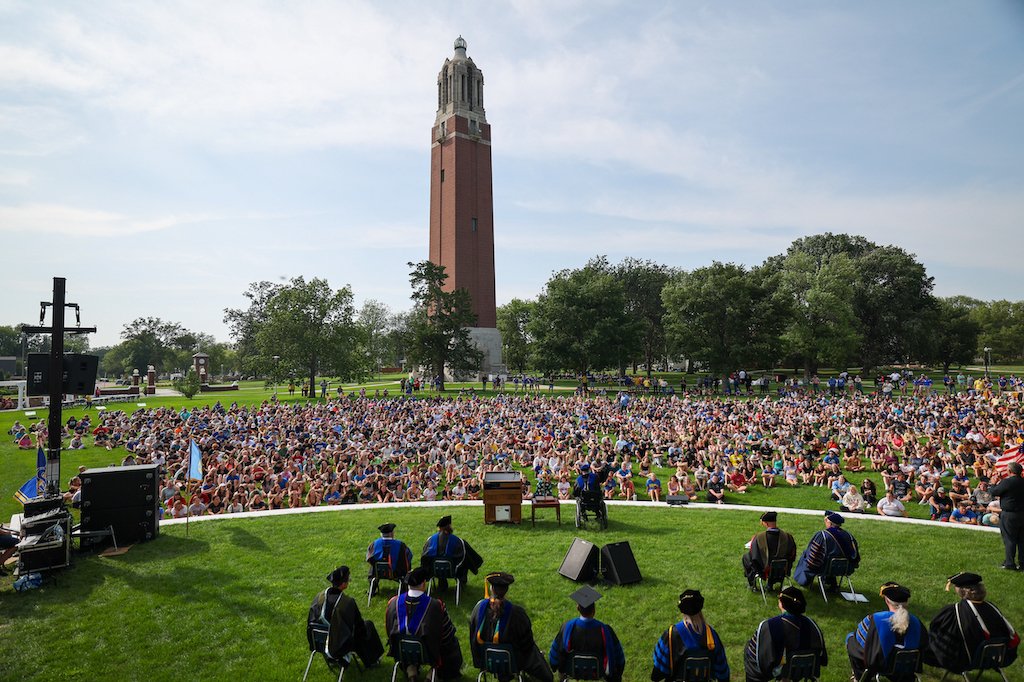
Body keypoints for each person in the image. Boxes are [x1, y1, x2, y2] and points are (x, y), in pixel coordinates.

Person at [925, 572, 1019, 674]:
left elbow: (937, 632)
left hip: (967, 660)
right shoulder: (992, 608)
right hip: (996, 658)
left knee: (929, 644)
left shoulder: (953, 612)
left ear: (963, 591)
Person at [468, 572, 552, 682]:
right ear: (506, 590)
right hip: (514, 662)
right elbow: (527, 644)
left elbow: (473, 637)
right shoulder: (517, 613)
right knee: (532, 651)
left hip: (486, 660)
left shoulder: (478, 609)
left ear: (491, 588)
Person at [385, 566, 463, 680]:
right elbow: (446, 635)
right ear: (423, 584)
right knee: (452, 642)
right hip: (429, 653)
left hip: (401, 651)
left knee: (404, 638)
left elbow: (389, 630)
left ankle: (410, 669)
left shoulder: (393, 603)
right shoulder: (436, 606)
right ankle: (433, 673)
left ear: (408, 585)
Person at [846, 582, 929, 681]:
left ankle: (859, 677)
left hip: (880, 665)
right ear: (907, 602)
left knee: (851, 639)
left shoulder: (875, 619)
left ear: (886, 600)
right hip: (907, 667)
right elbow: (924, 647)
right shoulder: (916, 622)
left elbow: (862, 642)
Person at [744, 587, 828, 682]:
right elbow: (821, 656)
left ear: (782, 604)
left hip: (779, 669)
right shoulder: (811, 624)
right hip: (805, 669)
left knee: (749, 649)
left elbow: (762, 659)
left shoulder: (770, 625)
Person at [306, 565, 383, 669]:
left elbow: (311, 620)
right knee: (367, 626)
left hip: (319, 641)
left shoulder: (318, 597)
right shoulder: (347, 603)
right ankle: (372, 660)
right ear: (343, 584)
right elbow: (359, 627)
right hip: (339, 644)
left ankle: (332, 657)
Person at [549, 586, 625, 682]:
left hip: (571, 671)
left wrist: (554, 666)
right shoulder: (606, 631)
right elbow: (619, 658)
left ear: (577, 608)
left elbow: (554, 653)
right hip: (600, 673)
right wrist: (619, 671)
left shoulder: (567, 627)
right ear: (594, 609)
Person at [651, 589, 729, 681]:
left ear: (682, 610)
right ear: (700, 607)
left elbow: (658, 673)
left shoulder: (671, 634)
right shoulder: (712, 636)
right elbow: (723, 673)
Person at [793, 511, 860, 590]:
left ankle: (803, 581)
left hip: (826, 568)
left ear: (830, 523)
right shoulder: (849, 536)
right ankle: (831, 582)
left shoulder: (823, 536)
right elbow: (855, 557)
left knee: (806, 555)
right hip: (846, 568)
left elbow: (813, 559)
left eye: (826, 521)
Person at [421, 515, 483, 593]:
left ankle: (442, 585)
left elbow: (424, 557)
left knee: (437, 561)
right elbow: (462, 558)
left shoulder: (430, 540)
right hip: (453, 571)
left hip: (434, 571)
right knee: (466, 560)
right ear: (449, 527)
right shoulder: (458, 541)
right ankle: (461, 583)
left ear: (439, 528)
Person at [742, 511, 797, 589]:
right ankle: (770, 584)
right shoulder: (788, 537)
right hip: (782, 569)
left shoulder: (758, 538)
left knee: (746, 557)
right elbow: (792, 555)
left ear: (766, 523)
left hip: (765, 570)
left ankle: (752, 585)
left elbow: (754, 557)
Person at [989, 461, 1024, 570]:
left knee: (1010, 539)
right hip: (1022, 514)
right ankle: (1022, 563)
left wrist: (994, 483)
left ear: (1010, 471)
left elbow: (994, 492)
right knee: (1022, 540)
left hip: (1009, 514)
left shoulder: (1007, 482)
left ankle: (1009, 563)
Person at [367, 522, 414, 589]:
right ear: (392, 533)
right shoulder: (400, 545)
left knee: (373, 568)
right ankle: (404, 588)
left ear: (381, 534)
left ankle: (373, 589)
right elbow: (409, 556)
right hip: (397, 573)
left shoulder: (374, 544)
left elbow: (369, 558)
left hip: (378, 572)